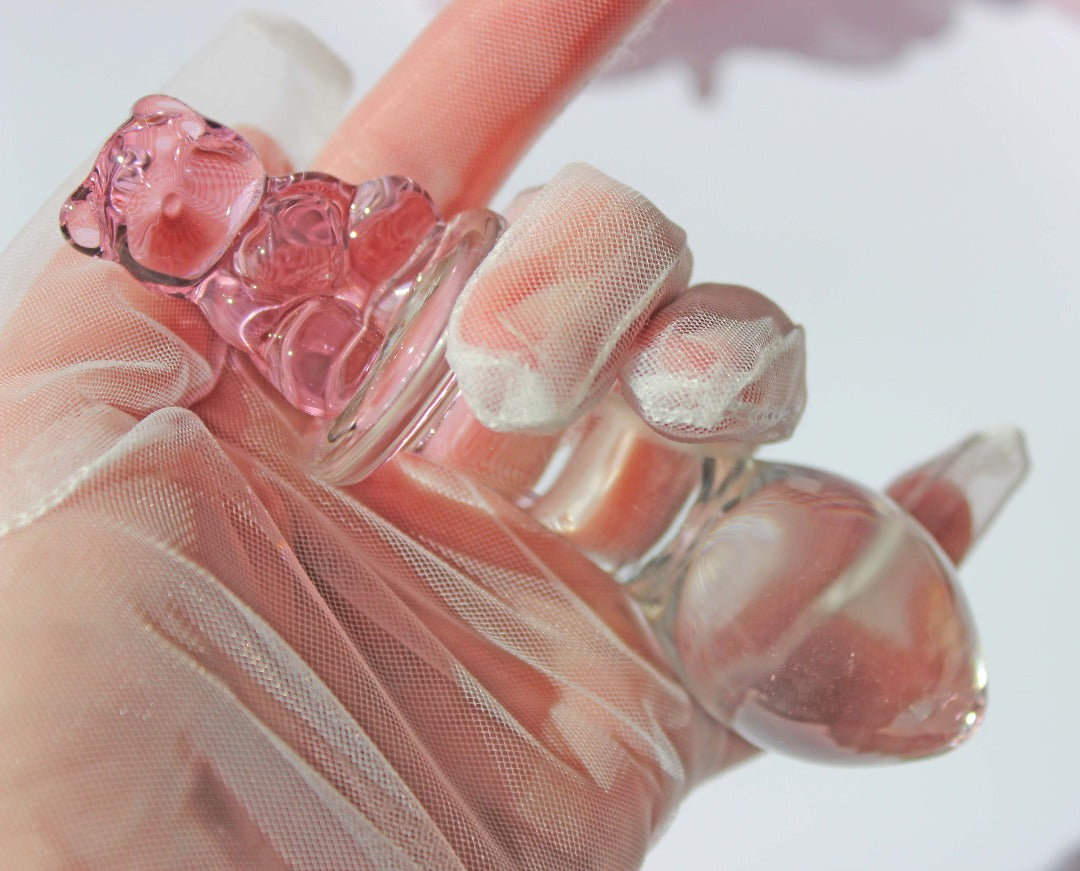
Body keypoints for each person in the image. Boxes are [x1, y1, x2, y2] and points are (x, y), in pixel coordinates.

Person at [0, 1, 1024, 868]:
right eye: (155, 201)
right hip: (353, 408)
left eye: (192, 154)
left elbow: (392, 217)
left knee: (558, 341)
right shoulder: (231, 367)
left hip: (434, 398)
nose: (192, 177)